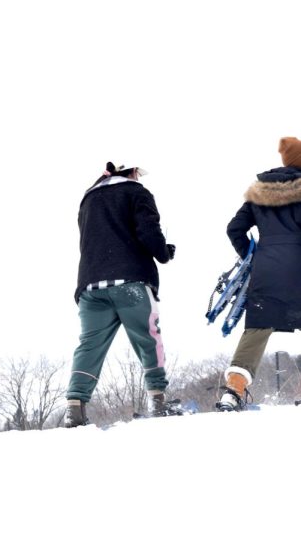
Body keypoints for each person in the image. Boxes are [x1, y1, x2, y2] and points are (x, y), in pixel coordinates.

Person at [217, 137, 301, 410]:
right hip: (300, 268)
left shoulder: (259, 192)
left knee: (256, 330)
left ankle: (233, 390)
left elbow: (234, 229)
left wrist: (253, 257)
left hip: (266, 271)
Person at [65, 162, 177, 428]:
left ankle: (76, 408)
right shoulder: (136, 192)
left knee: (89, 346)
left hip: (91, 286)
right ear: (130, 171)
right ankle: (159, 402)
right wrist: (164, 253)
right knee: (149, 339)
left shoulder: (88, 198)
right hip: (130, 281)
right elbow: (148, 231)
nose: (139, 176)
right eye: (137, 171)